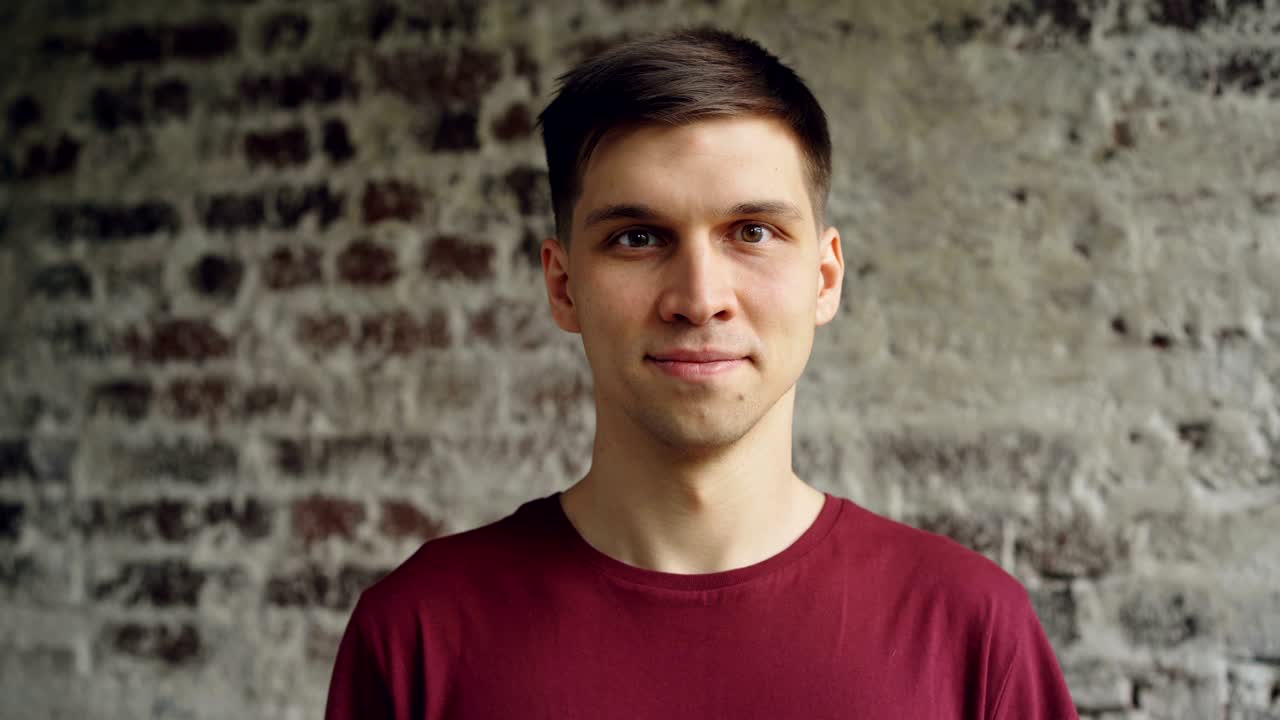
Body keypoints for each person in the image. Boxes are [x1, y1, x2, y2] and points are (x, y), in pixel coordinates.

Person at [325, 28, 1079, 719]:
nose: (700, 299)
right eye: (637, 237)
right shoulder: (417, 636)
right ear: (563, 286)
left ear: (824, 278)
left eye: (752, 232)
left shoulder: (974, 633)